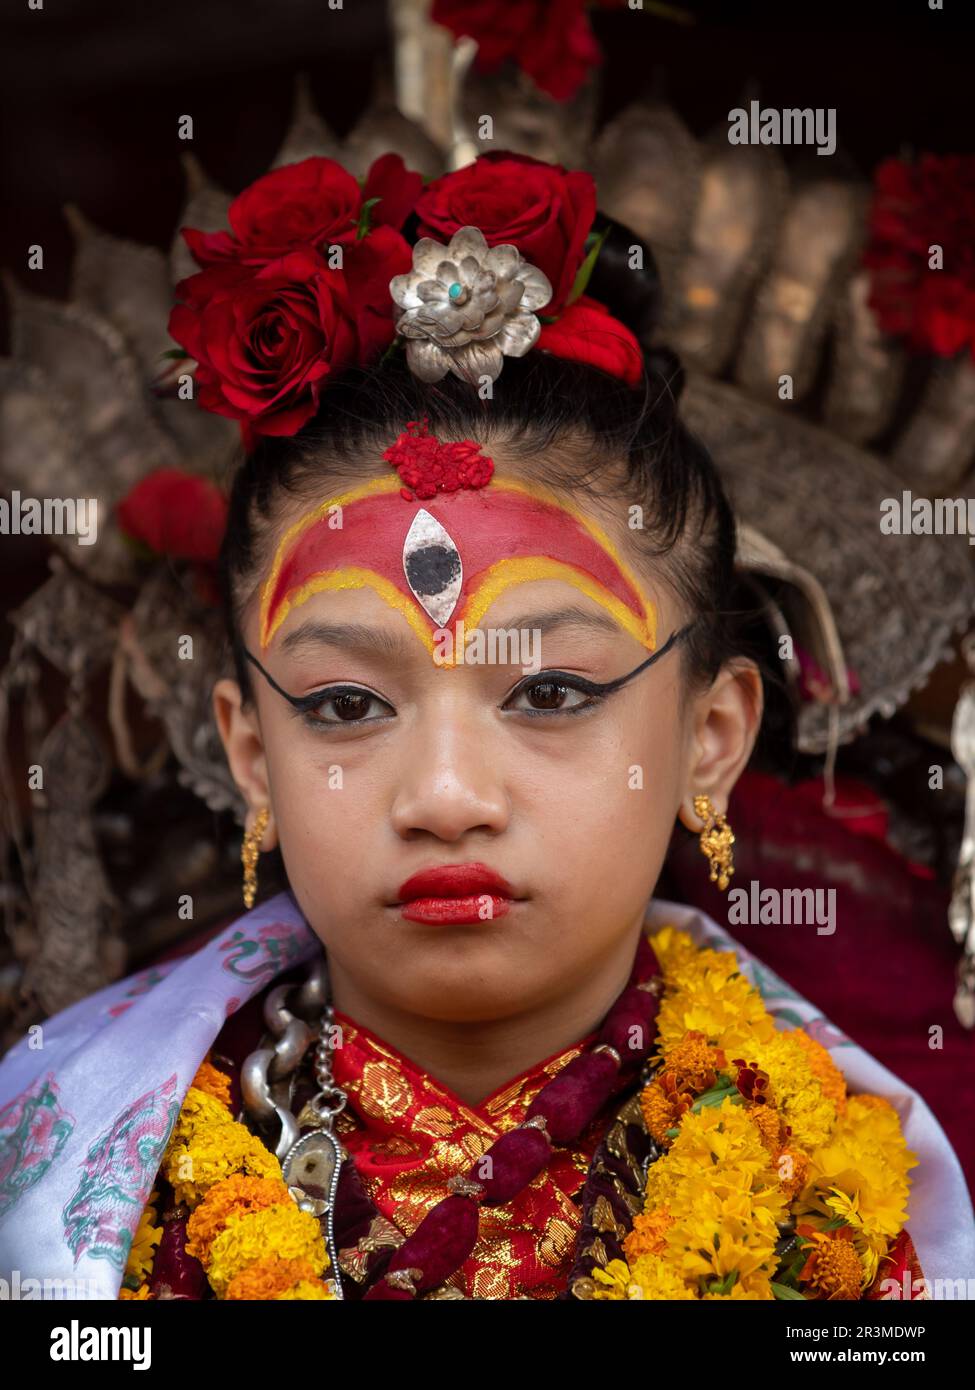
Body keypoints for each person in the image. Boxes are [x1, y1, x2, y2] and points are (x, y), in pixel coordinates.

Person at [0, 151, 972, 1303]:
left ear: (709, 738)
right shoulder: (53, 1199)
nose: (447, 793)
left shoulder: (836, 1199)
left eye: (551, 693)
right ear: (252, 751)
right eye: (346, 706)